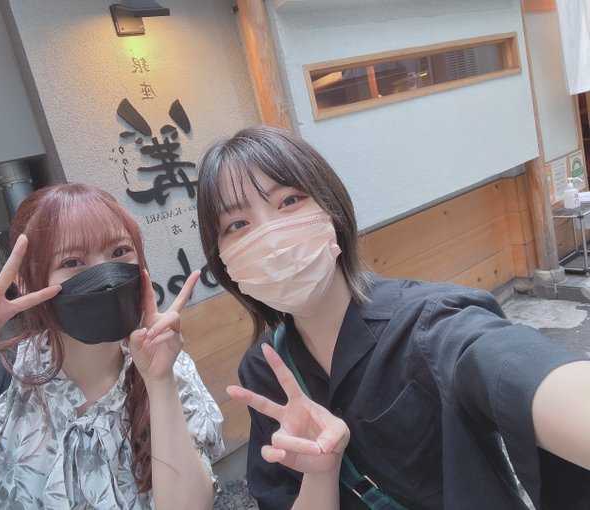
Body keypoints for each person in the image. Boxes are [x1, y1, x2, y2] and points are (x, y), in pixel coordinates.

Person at [196, 125, 590, 510]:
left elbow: (509, 366)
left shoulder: (431, 323)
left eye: (289, 201)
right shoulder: (263, 371)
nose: (271, 236)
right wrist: (320, 473)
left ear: (331, 210)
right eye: (237, 225)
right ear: (223, 260)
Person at [0, 183, 224, 509]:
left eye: (119, 252)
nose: (104, 275)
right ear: (26, 283)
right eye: (72, 261)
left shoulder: (172, 369)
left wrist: (159, 381)